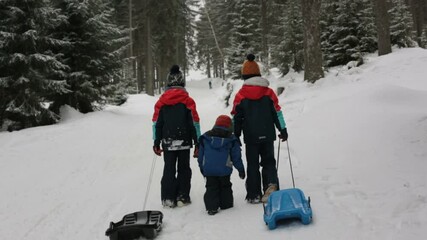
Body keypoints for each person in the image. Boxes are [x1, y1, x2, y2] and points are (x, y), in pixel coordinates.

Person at [231, 54, 288, 204]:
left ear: (244, 76)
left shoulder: (241, 95)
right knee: (268, 161)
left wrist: (235, 135)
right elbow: (277, 112)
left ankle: (253, 194)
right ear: (258, 74)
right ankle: (270, 186)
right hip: (267, 134)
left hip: (251, 136)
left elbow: (236, 116)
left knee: (252, 164)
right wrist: (282, 129)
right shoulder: (268, 93)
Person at [152, 64, 201, 208]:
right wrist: (197, 142)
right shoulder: (187, 101)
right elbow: (194, 123)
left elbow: (157, 123)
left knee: (169, 168)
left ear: (168, 83)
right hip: (184, 140)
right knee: (184, 168)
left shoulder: (161, 102)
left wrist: (156, 141)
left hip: (168, 141)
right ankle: (182, 196)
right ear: (182, 83)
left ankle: (168, 197)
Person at [197, 115, 245, 215]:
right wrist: (241, 169)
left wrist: (202, 167)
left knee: (211, 187)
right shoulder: (231, 139)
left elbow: (200, 155)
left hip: (209, 169)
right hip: (224, 168)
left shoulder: (206, 137)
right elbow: (236, 157)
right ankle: (226, 204)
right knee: (225, 186)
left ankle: (211, 207)